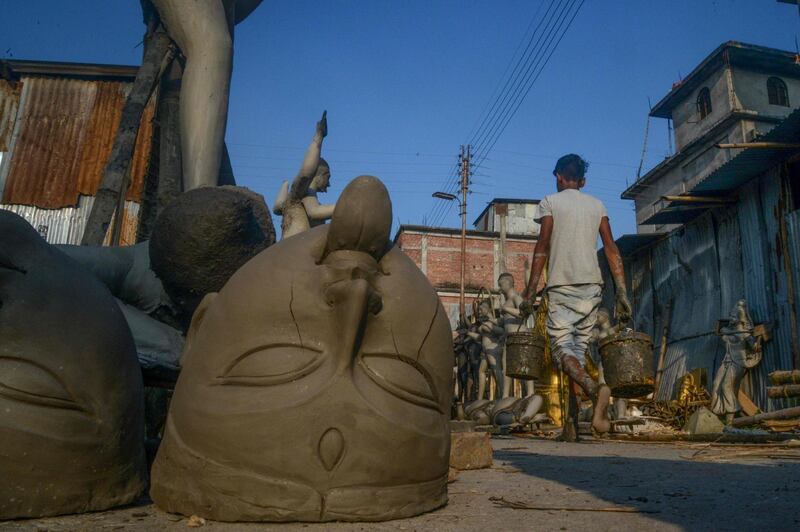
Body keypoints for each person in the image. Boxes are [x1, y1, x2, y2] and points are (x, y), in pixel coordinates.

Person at [521, 154, 632, 435]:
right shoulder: (597, 205)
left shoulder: (550, 202)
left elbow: (542, 246)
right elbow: (611, 249)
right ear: (582, 180)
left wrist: (530, 290)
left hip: (562, 287)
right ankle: (572, 426)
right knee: (578, 355)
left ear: (558, 176)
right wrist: (622, 291)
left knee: (561, 352)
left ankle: (595, 389)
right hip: (593, 288)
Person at [274, 112, 337, 238]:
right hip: (295, 252)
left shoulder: (294, 198)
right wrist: (318, 140)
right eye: (327, 177)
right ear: (318, 175)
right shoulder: (306, 193)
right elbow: (305, 175)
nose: (329, 184)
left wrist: (284, 186)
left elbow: (277, 206)